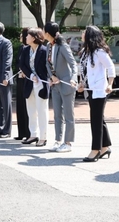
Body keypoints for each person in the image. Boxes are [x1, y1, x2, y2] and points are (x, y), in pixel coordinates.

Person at [77, 26, 115, 162]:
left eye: (84, 32)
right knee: (99, 118)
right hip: (90, 90)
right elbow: (82, 70)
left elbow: (110, 67)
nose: (82, 34)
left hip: (100, 90)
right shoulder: (85, 52)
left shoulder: (99, 52)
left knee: (96, 119)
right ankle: (105, 147)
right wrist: (81, 83)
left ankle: (95, 150)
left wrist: (110, 84)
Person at [44, 22, 78, 153]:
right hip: (55, 84)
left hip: (66, 83)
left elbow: (73, 64)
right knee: (57, 114)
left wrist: (73, 79)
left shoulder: (62, 46)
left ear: (47, 33)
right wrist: (51, 77)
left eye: (43, 31)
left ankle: (68, 143)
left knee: (69, 115)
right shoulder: (48, 46)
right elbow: (47, 64)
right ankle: (58, 140)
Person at [19, 27, 49, 147]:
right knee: (31, 110)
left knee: (42, 110)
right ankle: (33, 134)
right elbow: (22, 64)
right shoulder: (26, 50)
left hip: (41, 83)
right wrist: (31, 75)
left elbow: (47, 67)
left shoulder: (44, 50)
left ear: (35, 37)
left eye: (28, 36)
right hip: (30, 82)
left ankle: (43, 137)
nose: (26, 37)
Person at [14, 27, 31, 141]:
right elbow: (17, 63)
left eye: (22, 35)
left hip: (27, 79)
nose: (20, 37)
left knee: (27, 107)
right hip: (20, 79)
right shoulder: (21, 48)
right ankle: (21, 132)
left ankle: (29, 133)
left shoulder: (31, 49)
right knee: (19, 105)